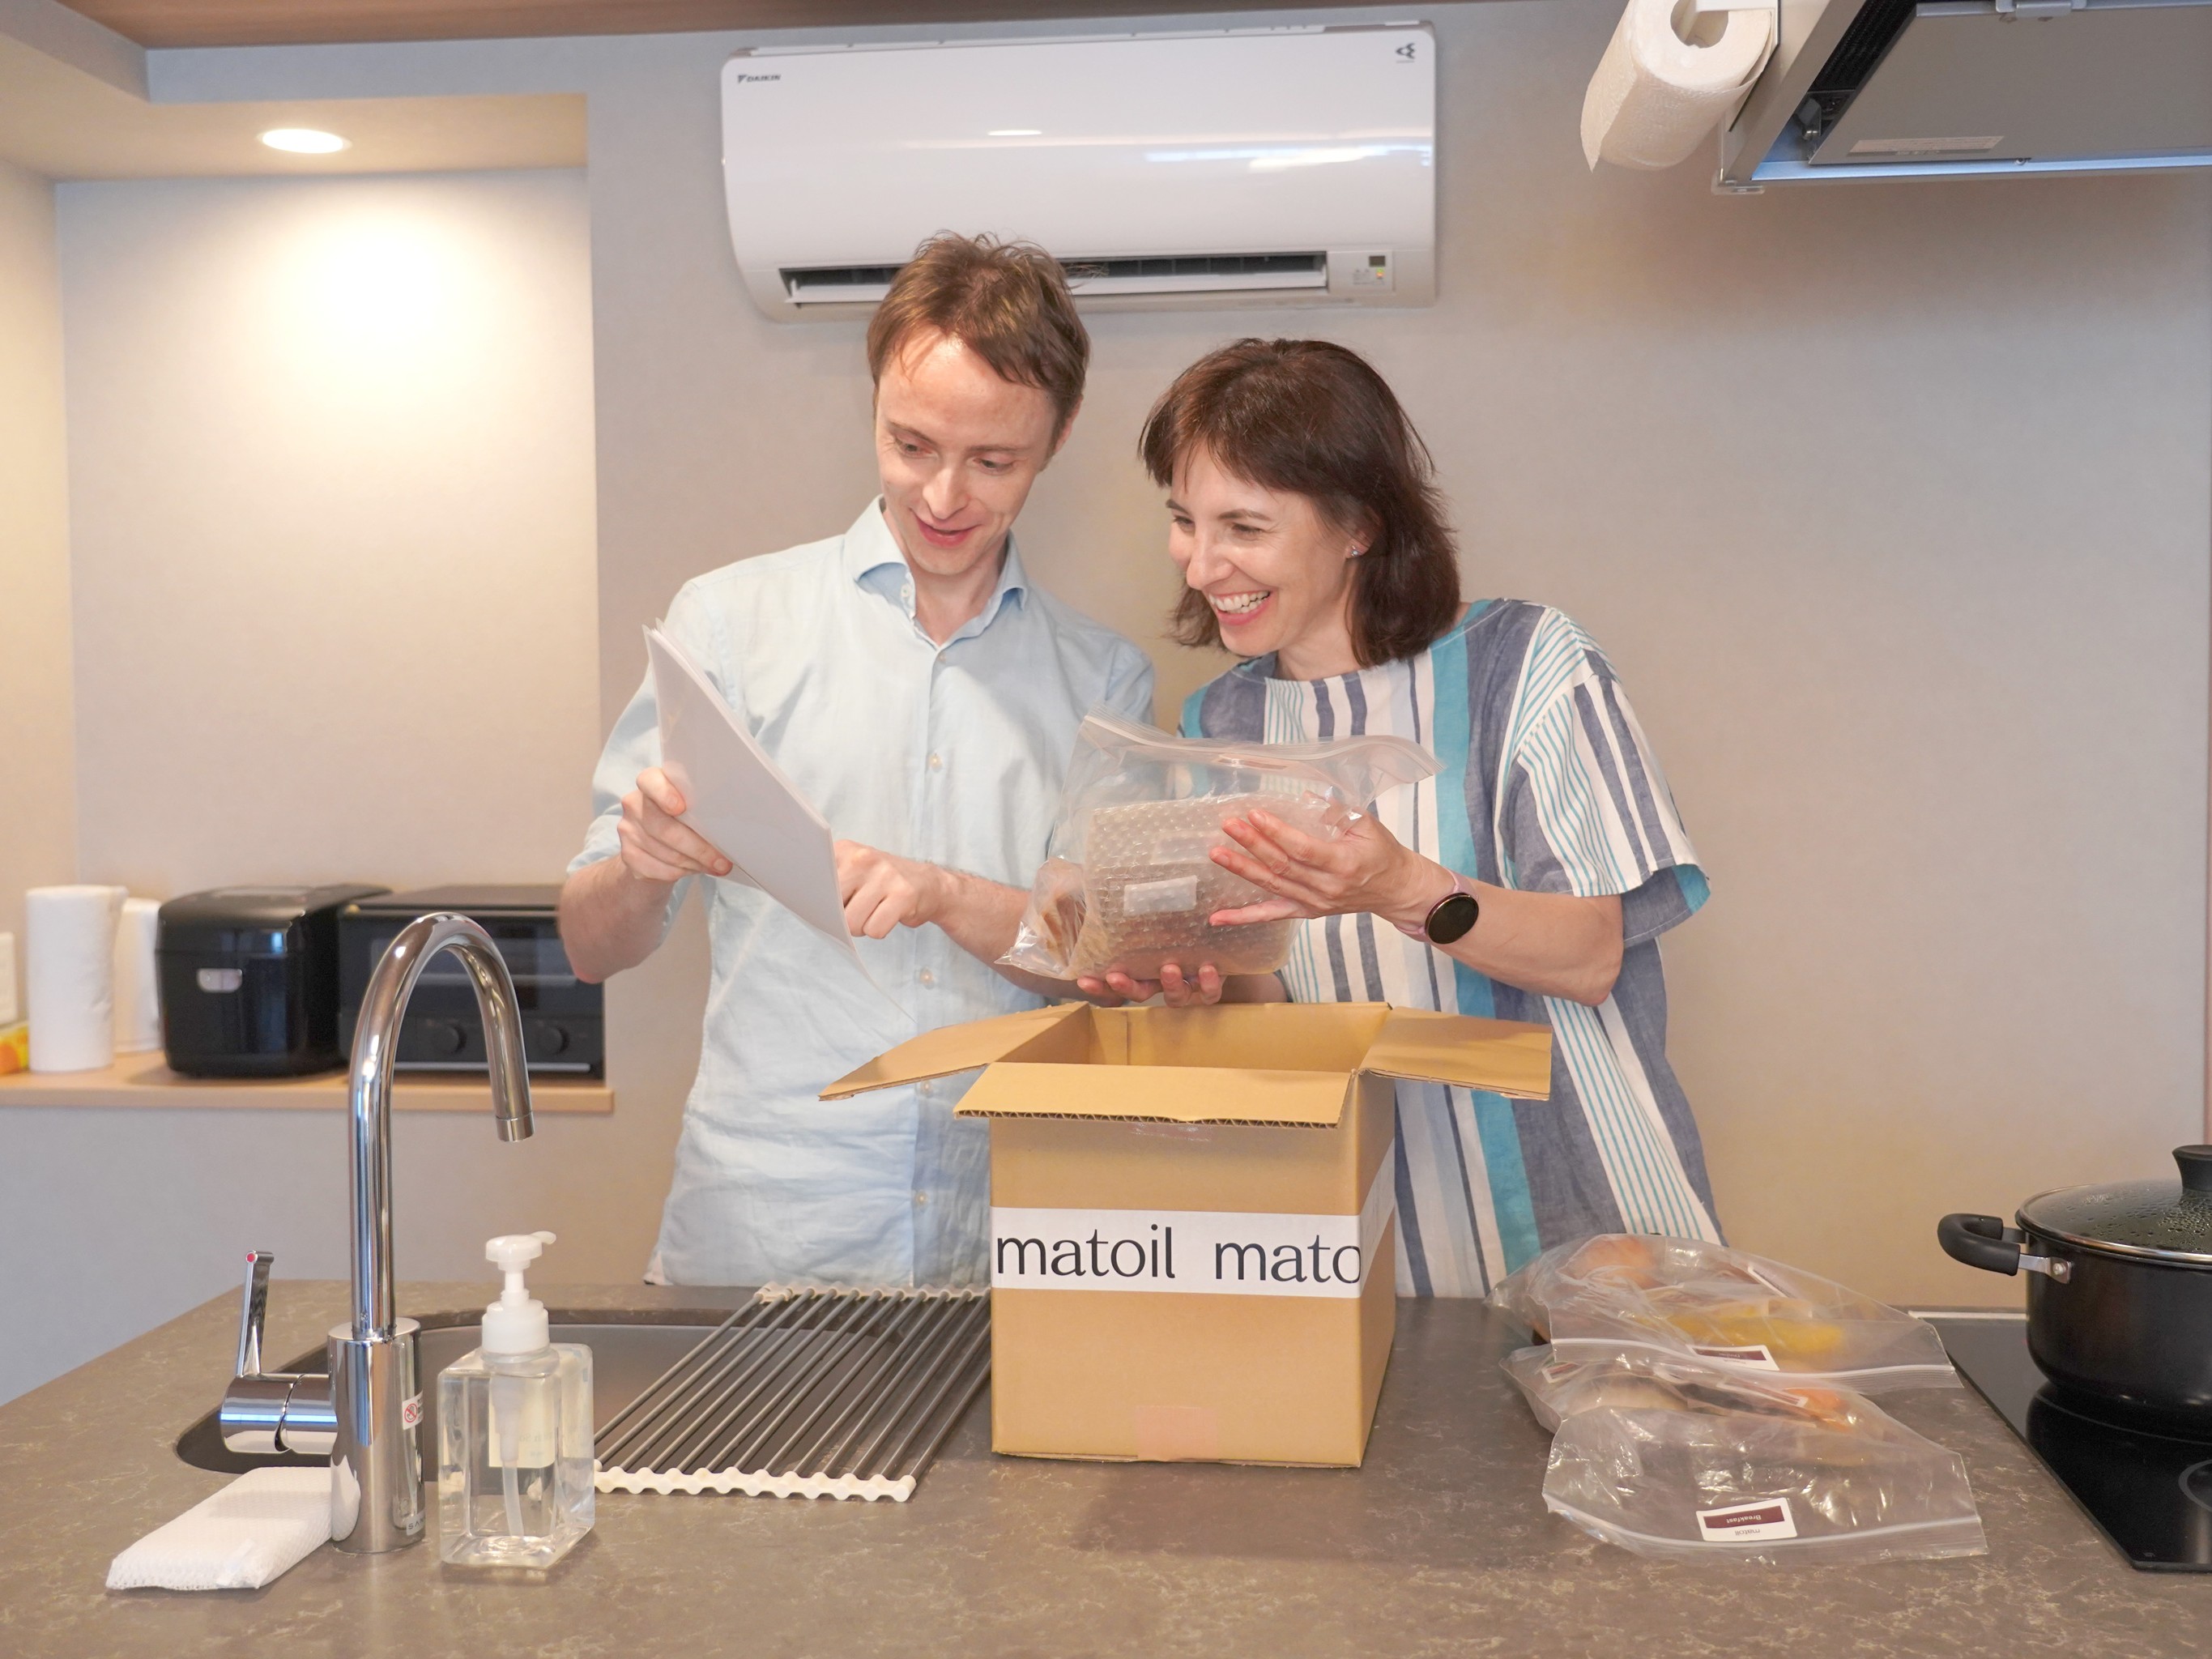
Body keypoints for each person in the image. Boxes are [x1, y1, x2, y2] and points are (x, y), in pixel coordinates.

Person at [559, 235, 1153, 1290]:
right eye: (910, 444)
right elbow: (590, 945)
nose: (943, 495)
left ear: (1056, 438)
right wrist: (641, 869)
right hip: (763, 1232)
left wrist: (942, 893)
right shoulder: (730, 624)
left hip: (1008, 1238)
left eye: (993, 461)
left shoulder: (1103, 680)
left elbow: (1104, 971)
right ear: (873, 403)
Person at [1132, 336, 1720, 1297]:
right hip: (1367, 1246)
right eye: (1183, 521)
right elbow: (1275, 1000)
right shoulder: (1217, 726)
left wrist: (1401, 885)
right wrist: (1198, 979)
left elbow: (1588, 956)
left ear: (1358, 524)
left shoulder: (1525, 665)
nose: (1201, 566)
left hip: (1593, 1235)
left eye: (1243, 526)